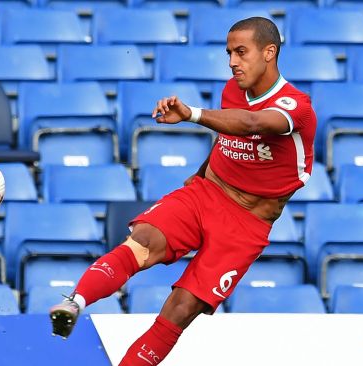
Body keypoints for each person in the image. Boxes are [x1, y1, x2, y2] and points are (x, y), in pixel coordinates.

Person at [49, 16, 317, 365]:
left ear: (269, 52)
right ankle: (75, 302)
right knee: (142, 241)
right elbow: (228, 138)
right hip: (207, 194)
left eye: (241, 52)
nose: (233, 62)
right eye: (228, 53)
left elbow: (252, 124)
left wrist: (191, 113)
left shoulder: (296, 105)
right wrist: (199, 174)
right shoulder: (232, 90)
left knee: (182, 307)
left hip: (246, 224)